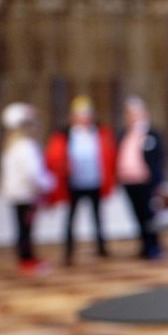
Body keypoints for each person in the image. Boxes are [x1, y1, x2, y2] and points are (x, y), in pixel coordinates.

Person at [44, 95, 116, 265]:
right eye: (81, 114)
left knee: (98, 217)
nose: (85, 118)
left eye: (87, 114)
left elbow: (109, 155)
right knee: (71, 218)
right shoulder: (65, 134)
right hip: (74, 183)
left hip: (94, 181)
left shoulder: (100, 132)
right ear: (73, 117)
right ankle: (69, 250)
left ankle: (101, 247)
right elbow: (54, 157)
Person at [0, 102, 53, 276]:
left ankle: (27, 258)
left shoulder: (13, 147)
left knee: (23, 229)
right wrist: (49, 184)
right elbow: (33, 174)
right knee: (26, 229)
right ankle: (27, 260)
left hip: (18, 195)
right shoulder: (25, 147)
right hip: (26, 195)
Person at [116, 96, 165, 259]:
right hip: (129, 181)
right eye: (130, 114)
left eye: (136, 114)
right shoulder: (124, 134)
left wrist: (156, 181)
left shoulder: (151, 134)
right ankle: (144, 244)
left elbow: (157, 159)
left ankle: (154, 245)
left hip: (146, 182)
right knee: (137, 215)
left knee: (149, 215)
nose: (133, 117)